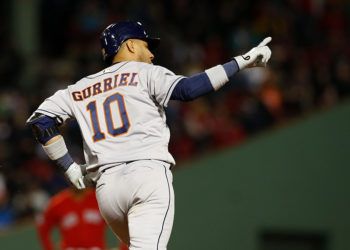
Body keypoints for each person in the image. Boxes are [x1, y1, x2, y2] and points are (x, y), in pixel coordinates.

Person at [27, 20, 271, 249]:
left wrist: (69, 166)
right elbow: (188, 90)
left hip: (108, 191)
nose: (152, 54)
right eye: (146, 45)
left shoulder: (79, 88)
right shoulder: (143, 72)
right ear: (130, 45)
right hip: (146, 177)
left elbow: (41, 121)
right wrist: (241, 61)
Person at [36, 187, 128, 250]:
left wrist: (123, 247)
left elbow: (122, 222)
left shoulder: (99, 198)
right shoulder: (57, 203)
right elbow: (43, 228)